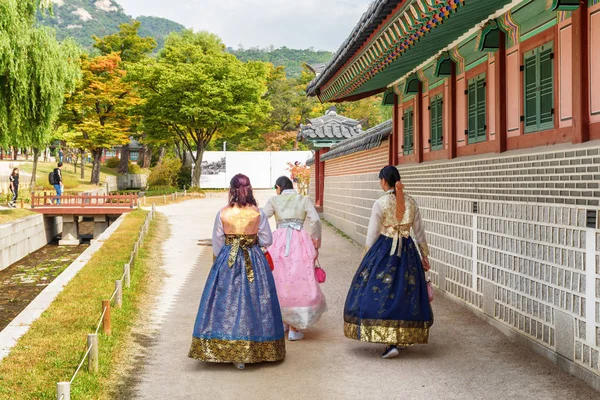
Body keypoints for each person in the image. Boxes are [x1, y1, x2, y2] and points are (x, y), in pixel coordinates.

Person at [189, 174, 285, 370]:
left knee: (226, 301)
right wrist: (252, 242)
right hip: (253, 258)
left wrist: (222, 258)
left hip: (228, 260)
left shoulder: (223, 213)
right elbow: (267, 240)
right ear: (250, 189)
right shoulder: (258, 213)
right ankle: (256, 347)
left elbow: (217, 243)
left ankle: (228, 347)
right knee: (256, 301)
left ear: (231, 190)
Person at [343, 165, 433, 359]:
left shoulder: (380, 203)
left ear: (384, 181)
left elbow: (372, 233)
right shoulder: (411, 202)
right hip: (408, 251)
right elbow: (419, 232)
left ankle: (389, 341)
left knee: (382, 291)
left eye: (380, 180)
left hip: (385, 249)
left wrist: (367, 256)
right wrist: (424, 255)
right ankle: (400, 335)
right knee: (405, 291)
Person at [263, 176, 326, 341]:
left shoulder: (274, 200)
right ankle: (293, 327)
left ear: (279, 187)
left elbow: (261, 219)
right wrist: (316, 242)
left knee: (280, 279)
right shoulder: (303, 199)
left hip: (279, 242)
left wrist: (263, 240)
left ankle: (284, 321)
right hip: (300, 240)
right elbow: (316, 221)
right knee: (299, 279)